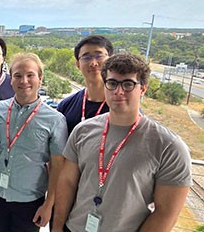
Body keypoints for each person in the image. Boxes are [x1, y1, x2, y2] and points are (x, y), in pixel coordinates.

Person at [52, 53, 192, 232]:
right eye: (112, 83)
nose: (118, 91)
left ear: (142, 89)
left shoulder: (169, 146)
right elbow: (67, 183)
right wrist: (57, 228)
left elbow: (166, 213)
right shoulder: (83, 131)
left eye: (128, 84)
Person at [0, 53, 67, 232]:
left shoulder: (55, 120)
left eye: (30, 75)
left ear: (40, 78)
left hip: (29, 202)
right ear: (11, 79)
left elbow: (57, 167)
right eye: (18, 75)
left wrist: (48, 204)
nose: (24, 81)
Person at [57, 35, 113, 134]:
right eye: (86, 57)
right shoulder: (65, 106)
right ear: (78, 64)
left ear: (110, 60)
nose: (93, 63)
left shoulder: (122, 105)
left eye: (99, 56)